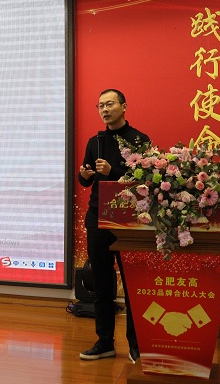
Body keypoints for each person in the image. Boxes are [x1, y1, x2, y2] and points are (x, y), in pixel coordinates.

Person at [77, 88, 149, 363]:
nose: (105, 110)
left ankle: (136, 345)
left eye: (110, 104)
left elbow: (147, 179)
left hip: (129, 219)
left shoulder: (139, 140)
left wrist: (113, 172)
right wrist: (84, 175)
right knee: (102, 282)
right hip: (98, 217)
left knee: (132, 284)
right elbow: (86, 180)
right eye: (100, 106)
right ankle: (104, 342)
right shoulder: (95, 141)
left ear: (124, 106)